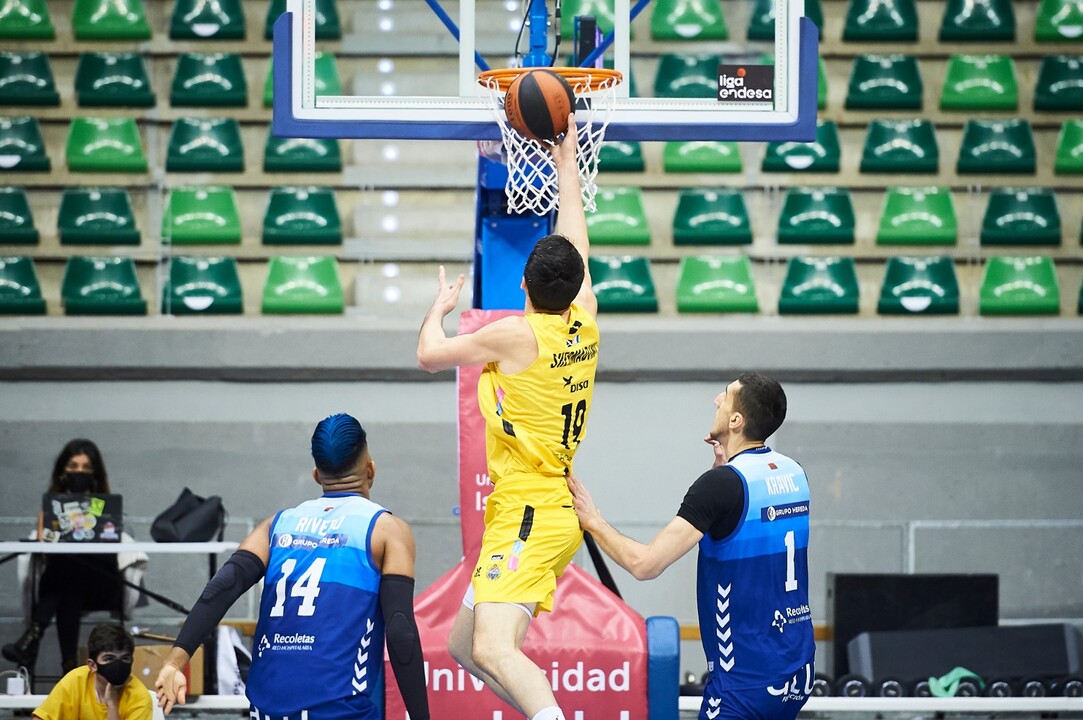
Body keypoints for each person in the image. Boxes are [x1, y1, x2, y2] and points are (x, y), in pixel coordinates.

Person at [416, 117, 597, 720]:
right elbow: (575, 240)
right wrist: (566, 163)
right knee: (463, 646)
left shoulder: (517, 335)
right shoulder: (585, 314)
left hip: (529, 512)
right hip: (541, 506)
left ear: (523, 282)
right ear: (574, 286)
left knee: (494, 649)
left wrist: (439, 309)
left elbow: (428, 355)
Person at [567, 373, 815, 720]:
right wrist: (725, 468)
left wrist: (593, 521)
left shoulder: (721, 485)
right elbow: (745, 515)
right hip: (797, 668)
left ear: (736, 420)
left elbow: (645, 564)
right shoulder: (794, 473)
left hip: (746, 680)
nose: (717, 400)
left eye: (726, 396)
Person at [154, 413, 430, 720]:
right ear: (371, 470)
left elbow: (223, 586)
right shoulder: (386, 530)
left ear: (316, 476)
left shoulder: (276, 525)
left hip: (267, 709)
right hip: (339, 711)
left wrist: (175, 662)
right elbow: (400, 630)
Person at [3, 439, 124, 674]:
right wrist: (45, 526)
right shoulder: (52, 508)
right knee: (69, 587)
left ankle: (32, 637)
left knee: (67, 574)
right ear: (62, 471)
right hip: (68, 586)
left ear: (95, 473)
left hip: (101, 583)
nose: (79, 472)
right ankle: (69, 666)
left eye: (86, 467)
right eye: (73, 466)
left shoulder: (105, 506)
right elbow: (44, 546)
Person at [32, 622, 153, 720]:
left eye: (125, 658)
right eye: (109, 658)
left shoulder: (139, 698)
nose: (118, 665)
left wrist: (112, 704)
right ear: (92, 665)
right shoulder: (76, 681)